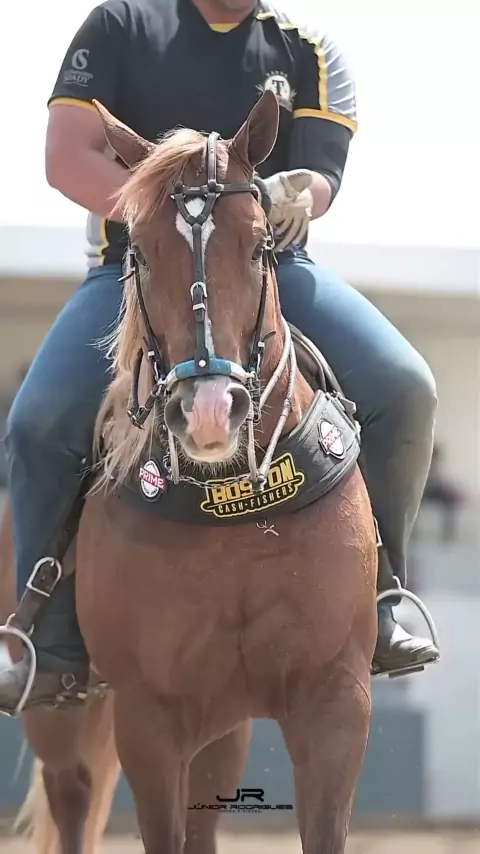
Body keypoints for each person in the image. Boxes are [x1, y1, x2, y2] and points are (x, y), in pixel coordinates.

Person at [0, 0, 440, 713]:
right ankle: (43, 639)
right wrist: (172, 221)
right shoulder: (119, 25)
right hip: (138, 266)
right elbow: (67, 156)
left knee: (406, 385)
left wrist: (291, 195)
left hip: (266, 267)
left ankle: (384, 591)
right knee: (38, 420)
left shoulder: (309, 49)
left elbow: (321, 175)